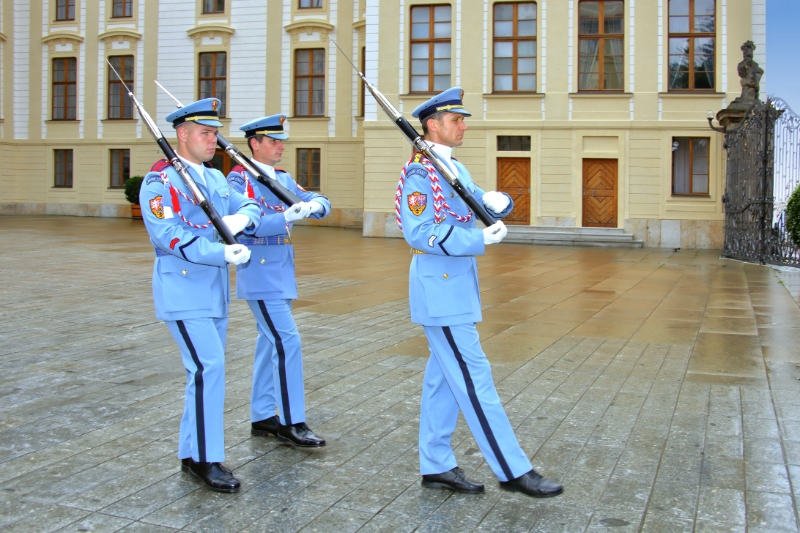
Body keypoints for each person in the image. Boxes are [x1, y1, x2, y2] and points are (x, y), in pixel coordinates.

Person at [396, 87, 563, 498]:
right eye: (456, 120)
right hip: (439, 290)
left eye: (463, 119)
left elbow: (478, 205)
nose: (463, 125)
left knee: (443, 381)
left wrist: (497, 201)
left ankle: (436, 464)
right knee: (474, 377)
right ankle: (512, 470)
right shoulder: (421, 172)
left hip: (456, 289)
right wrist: (476, 239)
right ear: (433, 125)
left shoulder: (452, 167)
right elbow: (417, 231)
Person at [140, 98, 260, 493]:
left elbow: (249, 205)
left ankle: (192, 454)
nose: (214, 140)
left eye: (215, 133)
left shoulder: (213, 178)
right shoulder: (159, 182)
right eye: (206, 133)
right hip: (184, 288)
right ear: (182, 134)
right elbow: (169, 235)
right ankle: (209, 459)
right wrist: (219, 250)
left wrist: (242, 218)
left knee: (202, 374)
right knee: (209, 369)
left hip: (213, 293)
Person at [226, 114, 330, 448]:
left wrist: (315, 205)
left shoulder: (281, 177)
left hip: (281, 268)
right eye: (273, 141)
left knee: (268, 342)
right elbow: (243, 225)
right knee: (287, 342)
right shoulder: (239, 179)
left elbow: (317, 199)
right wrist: (283, 217)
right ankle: (291, 421)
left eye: (281, 140)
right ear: (254, 143)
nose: (280, 146)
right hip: (259, 268)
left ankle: (262, 416)